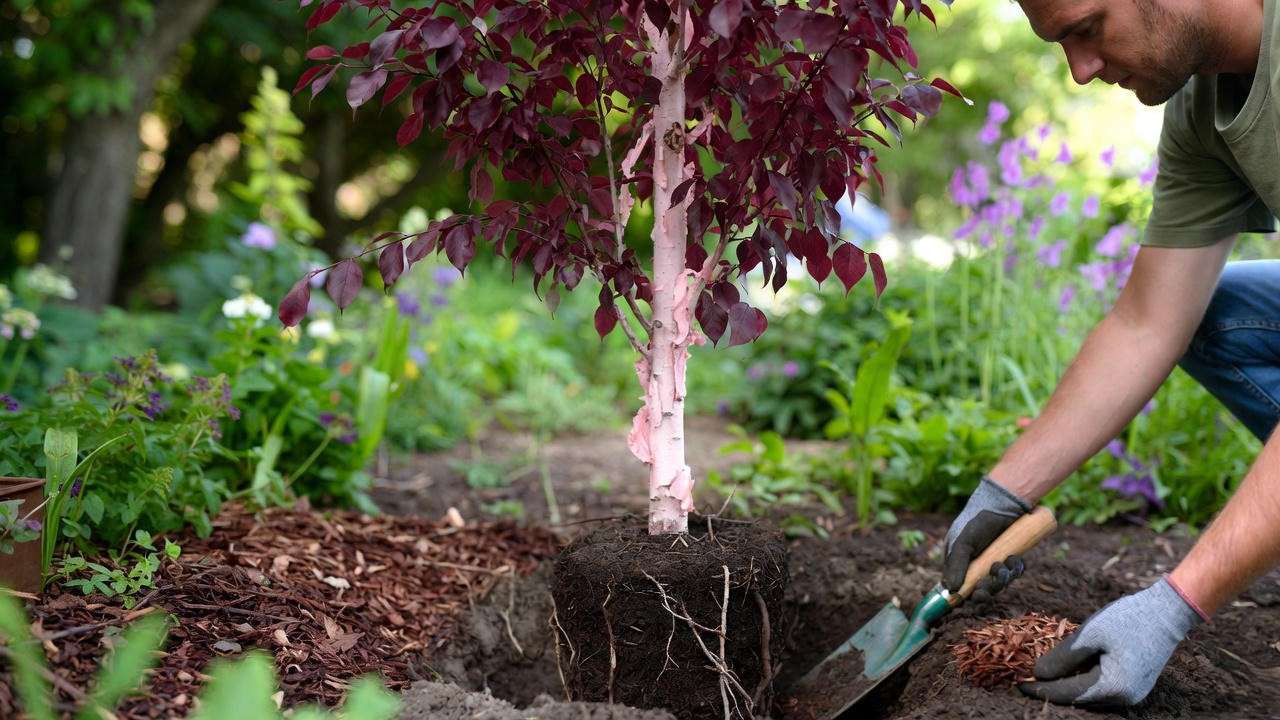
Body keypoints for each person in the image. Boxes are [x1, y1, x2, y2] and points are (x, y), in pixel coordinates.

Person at [942, 0, 1280, 707]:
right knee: (1216, 319)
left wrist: (1176, 604)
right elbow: (1147, 323)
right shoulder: (1200, 106)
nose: (1080, 70)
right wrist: (1003, 493)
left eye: (1087, 29)